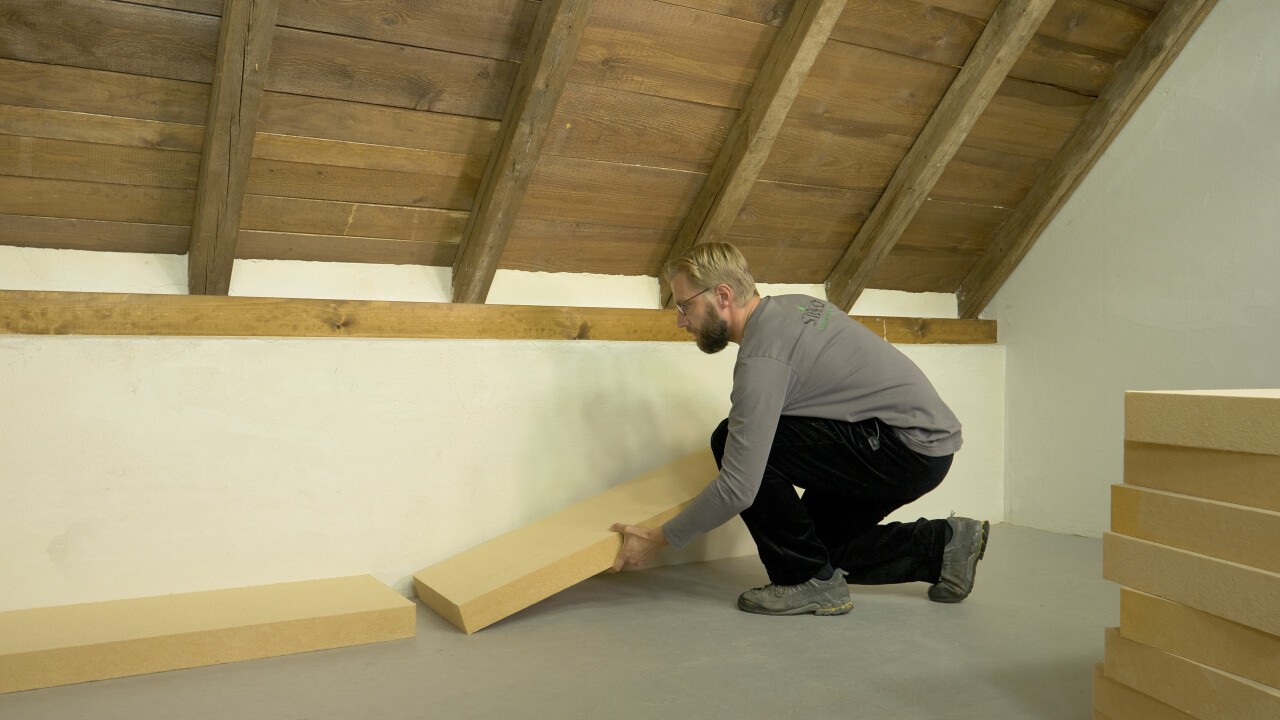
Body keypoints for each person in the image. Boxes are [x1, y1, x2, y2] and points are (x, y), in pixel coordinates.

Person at [611, 242, 989, 616]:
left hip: (905, 450)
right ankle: (945, 547)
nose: (681, 320)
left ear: (723, 295)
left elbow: (739, 488)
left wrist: (659, 538)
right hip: (914, 443)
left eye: (684, 306)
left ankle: (805, 582)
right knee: (815, 547)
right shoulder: (794, 305)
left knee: (730, 440)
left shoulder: (763, 361)